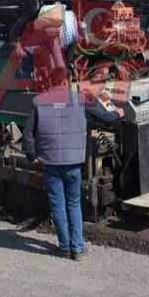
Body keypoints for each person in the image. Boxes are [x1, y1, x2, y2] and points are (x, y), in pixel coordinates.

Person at [21, 82, 90, 259]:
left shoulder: (39, 101)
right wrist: (116, 113)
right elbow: (104, 116)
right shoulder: (80, 99)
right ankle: (78, 248)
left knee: (58, 205)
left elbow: (28, 133)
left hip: (50, 163)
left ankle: (64, 248)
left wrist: (31, 155)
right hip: (73, 164)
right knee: (74, 204)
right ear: (66, 83)